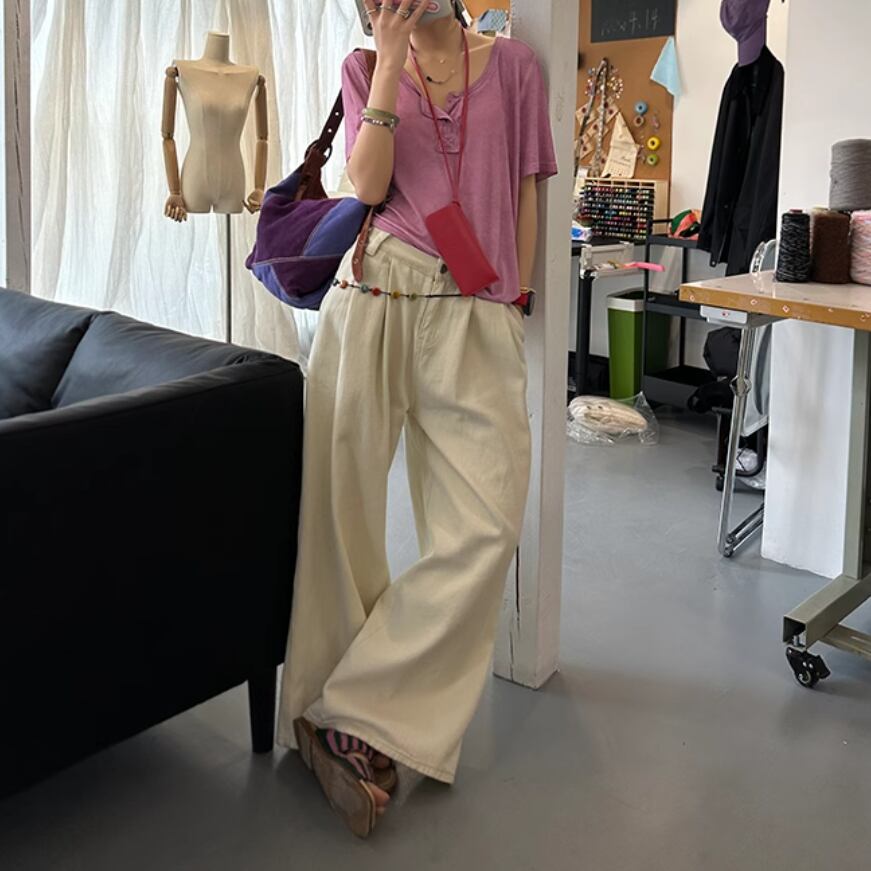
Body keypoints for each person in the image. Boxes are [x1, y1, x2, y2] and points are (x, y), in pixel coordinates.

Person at [277, 0, 557, 837]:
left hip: (474, 309)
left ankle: (358, 706)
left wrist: (513, 302)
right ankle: (329, 716)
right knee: (340, 518)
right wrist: (389, 58)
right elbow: (366, 185)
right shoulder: (366, 67)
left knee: (487, 519)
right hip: (372, 293)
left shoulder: (515, 67)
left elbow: (526, 192)